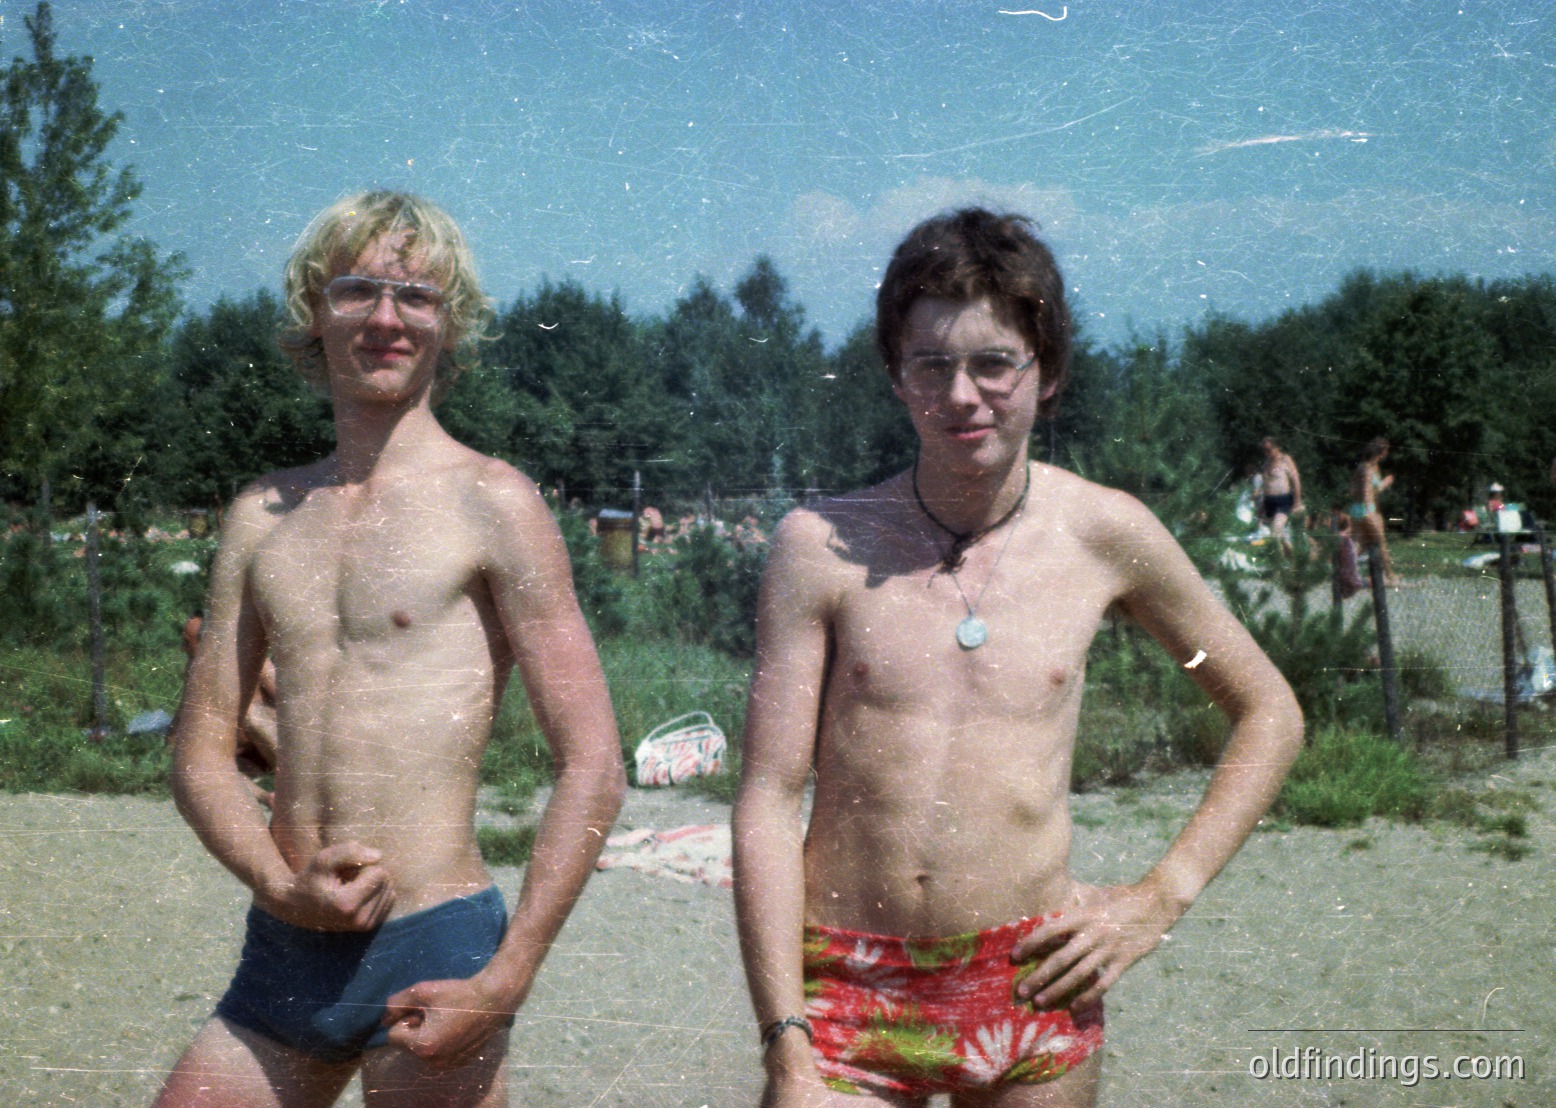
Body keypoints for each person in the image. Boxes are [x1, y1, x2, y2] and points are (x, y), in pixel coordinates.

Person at [733, 208, 1303, 1106]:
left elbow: (1267, 712)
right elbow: (767, 795)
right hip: (843, 984)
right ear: (896, 377)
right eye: (932, 364)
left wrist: (1160, 898)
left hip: (1033, 977)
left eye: (994, 362)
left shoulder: (1105, 536)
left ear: (1048, 373)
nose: (963, 395)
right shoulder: (822, 546)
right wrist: (783, 1037)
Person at [156, 191, 625, 1107]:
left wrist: (506, 979)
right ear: (314, 313)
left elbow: (594, 765)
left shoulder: (493, 503)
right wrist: (274, 880)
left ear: (449, 326)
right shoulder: (262, 516)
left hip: (434, 946)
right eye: (358, 290)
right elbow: (202, 754)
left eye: (415, 297)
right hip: (284, 946)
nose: (385, 317)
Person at [178, 613, 278, 806]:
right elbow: (181, 720)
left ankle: (295, 776)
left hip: (272, 742)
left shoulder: (253, 661)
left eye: (188, 642)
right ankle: (266, 797)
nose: (184, 648)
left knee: (251, 713)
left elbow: (287, 702)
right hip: (245, 755)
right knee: (206, 765)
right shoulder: (195, 673)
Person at [1348, 436, 1397, 587]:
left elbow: (1353, 490)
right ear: (1381, 452)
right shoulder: (1369, 469)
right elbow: (1366, 491)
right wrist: (1385, 483)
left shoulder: (1363, 466)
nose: (1387, 453)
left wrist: (1382, 484)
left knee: (1359, 543)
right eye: (1386, 450)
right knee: (1380, 543)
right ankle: (1390, 576)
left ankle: (1343, 571)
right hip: (1366, 509)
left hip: (1356, 509)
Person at [1258, 436, 1303, 551]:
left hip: (1283, 501)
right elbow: (1265, 486)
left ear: (1277, 447)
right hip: (1269, 502)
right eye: (1264, 450)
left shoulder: (1285, 459)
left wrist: (1297, 503)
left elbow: (1296, 481)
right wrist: (1261, 506)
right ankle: (1290, 563)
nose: (1266, 453)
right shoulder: (1266, 463)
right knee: (1280, 538)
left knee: (1275, 531)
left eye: (1269, 449)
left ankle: (1282, 563)